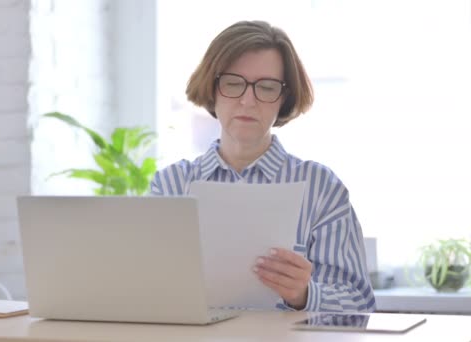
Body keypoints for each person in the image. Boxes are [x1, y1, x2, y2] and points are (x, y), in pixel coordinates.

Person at [151, 20, 375, 312]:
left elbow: (360, 305)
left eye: (266, 88)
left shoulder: (320, 187)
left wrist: (305, 295)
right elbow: (152, 293)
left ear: (283, 99)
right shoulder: (170, 185)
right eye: (233, 83)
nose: (247, 101)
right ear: (212, 88)